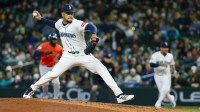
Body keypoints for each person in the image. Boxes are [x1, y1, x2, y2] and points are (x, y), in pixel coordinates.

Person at [23, 4, 134, 103]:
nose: (71, 15)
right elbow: (52, 23)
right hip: (68, 56)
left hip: (83, 54)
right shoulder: (59, 23)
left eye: (72, 13)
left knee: (102, 69)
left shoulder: (77, 24)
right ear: (62, 14)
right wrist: (41, 19)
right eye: (68, 13)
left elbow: (91, 26)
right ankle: (31, 89)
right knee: (53, 74)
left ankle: (119, 95)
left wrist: (94, 35)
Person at [34, 33, 63, 99]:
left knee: (56, 83)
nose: (54, 40)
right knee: (45, 83)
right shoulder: (44, 45)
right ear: (50, 39)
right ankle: (45, 97)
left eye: (55, 39)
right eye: (53, 39)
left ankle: (56, 98)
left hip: (54, 67)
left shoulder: (59, 47)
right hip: (44, 66)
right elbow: (35, 53)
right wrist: (43, 52)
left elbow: (63, 56)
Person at [149, 42, 176, 108]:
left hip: (167, 75)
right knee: (162, 92)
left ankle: (158, 104)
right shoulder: (155, 55)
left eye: (167, 47)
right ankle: (171, 98)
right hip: (157, 75)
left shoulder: (170, 56)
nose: (166, 49)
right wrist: (159, 64)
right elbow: (151, 64)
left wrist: (172, 71)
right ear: (161, 48)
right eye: (165, 47)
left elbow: (172, 65)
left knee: (165, 90)